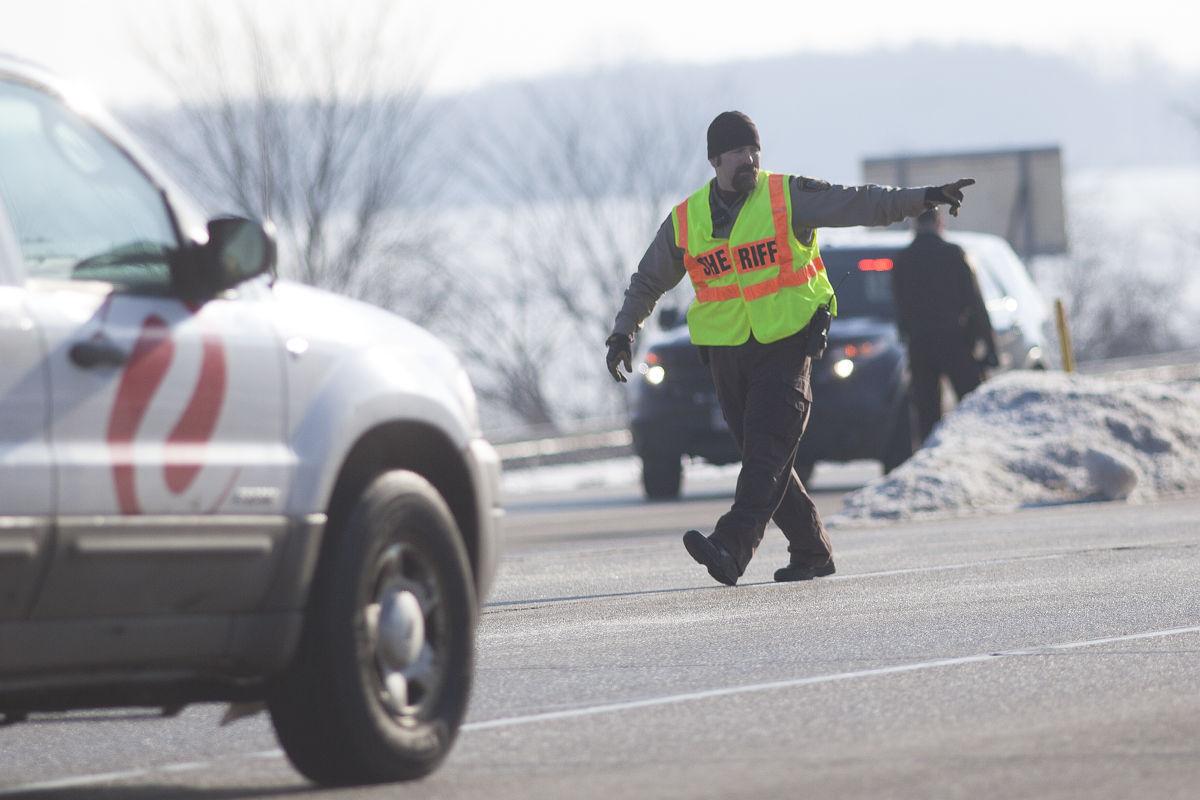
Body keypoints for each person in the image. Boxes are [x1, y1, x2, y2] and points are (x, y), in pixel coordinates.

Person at [604, 110, 974, 587]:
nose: (750, 158)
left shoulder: (787, 196)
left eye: (755, 149)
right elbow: (649, 280)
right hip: (725, 353)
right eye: (738, 151)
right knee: (767, 457)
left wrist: (923, 199)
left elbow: (858, 203)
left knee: (765, 452)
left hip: (787, 345)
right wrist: (623, 331)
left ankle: (730, 547)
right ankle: (812, 551)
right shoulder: (686, 219)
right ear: (716, 159)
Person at [891, 208, 1000, 445]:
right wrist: (990, 347)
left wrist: (907, 335)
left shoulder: (903, 259)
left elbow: (899, 306)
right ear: (940, 223)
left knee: (926, 414)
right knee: (971, 404)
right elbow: (975, 303)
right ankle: (975, 449)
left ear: (915, 224)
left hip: (920, 344)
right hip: (955, 341)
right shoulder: (953, 254)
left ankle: (929, 459)